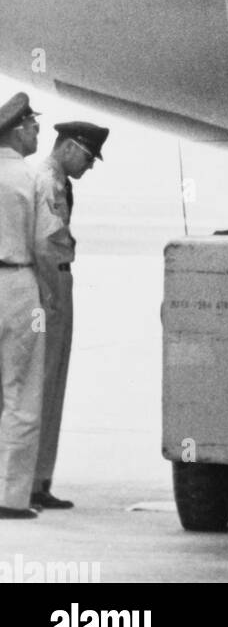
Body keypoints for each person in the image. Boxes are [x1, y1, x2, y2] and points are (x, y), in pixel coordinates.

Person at [30, 121, 109, 511]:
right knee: (44, 383)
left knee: (51, 383)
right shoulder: (48, 181)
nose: (90, 165)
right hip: (51, 286)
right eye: (89, 156)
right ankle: (32, 482)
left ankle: (39, 480)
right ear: (69, 147)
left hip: (56, 282)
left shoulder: (56, 179)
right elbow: (45, 244)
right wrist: (50, 298)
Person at [0, 94, 60, 519]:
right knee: (22, 391)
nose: (38, 132)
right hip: (17, 282)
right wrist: (51, 291)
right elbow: (44, 243)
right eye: (34, 125)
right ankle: (10, 497)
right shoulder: (30, 177)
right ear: (17, 129)